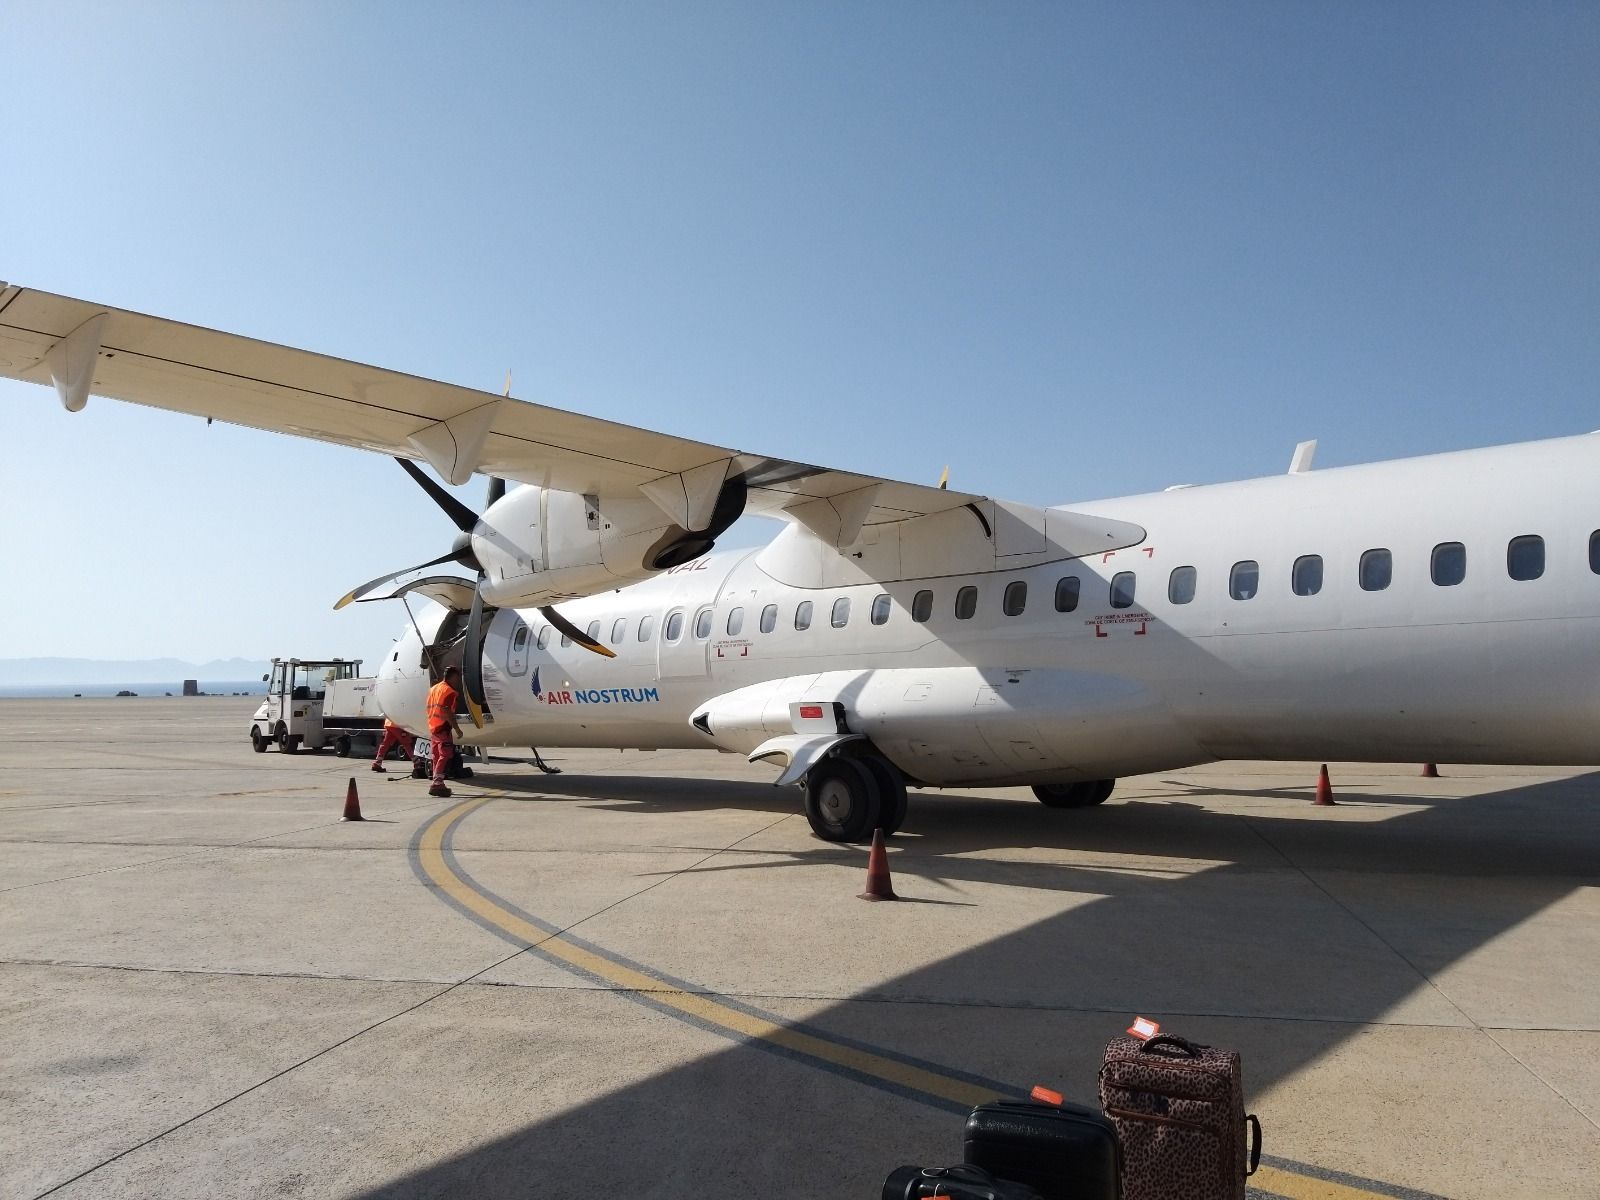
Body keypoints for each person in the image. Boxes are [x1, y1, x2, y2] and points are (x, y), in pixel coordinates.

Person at [425, 666, 465, 798]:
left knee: (436, 756)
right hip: (443, 727)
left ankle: (437, 781)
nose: (458, 681)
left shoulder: (434, 689)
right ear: (453, 677)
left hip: (433, 727)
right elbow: (447, 710)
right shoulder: (449, 691)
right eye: (457, 677)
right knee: (445, 754)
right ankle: (437, 783)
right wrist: (457, 728)